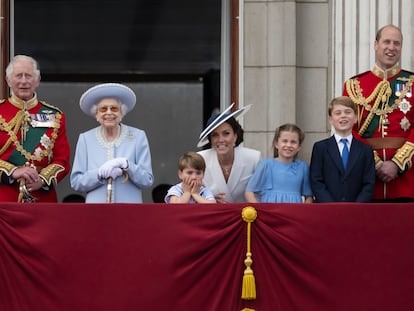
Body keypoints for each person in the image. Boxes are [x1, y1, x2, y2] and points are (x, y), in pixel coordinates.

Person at [343, 24, 414, 202]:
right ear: (376, 44)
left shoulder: (412, 83)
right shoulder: (354, 85)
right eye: (386, 42)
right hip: (367, 181)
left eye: (396, 43)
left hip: (406, 182)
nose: (391, 48)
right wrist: (376, 164)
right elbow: (347, 129)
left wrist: (397, 164)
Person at [0, 55, 70, 202]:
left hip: (42, 198)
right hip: (4, 198)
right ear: (8, 80)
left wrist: (43, 180)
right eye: (18, 76)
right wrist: (13, 172)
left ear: (37, 80)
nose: (24, 81)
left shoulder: (55, 116)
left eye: (29, 76)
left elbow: (62, 160)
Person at [70, 83, 154, 203]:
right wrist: (98, 174)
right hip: (96, 211)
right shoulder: (85, 139)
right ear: (97, 114)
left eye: (114, 108)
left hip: (129, 211)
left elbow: (147, 180)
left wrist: (127, 165)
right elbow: (76, 182)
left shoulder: (138, 136)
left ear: (121, 112)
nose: (109, 113)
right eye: (103, 109)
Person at [310, 96, 376, 202]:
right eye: (338, 113)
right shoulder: (320, 148)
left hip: (357, 210)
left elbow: (369, 182)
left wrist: (356, 206)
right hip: (327, 210)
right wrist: (331, 206)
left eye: (347, 112)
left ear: (355, 118)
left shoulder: (365, 149)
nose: (343, 116)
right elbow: (316, 180)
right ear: (331, 119)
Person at [197, 103, 261, 203]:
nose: (221, 140)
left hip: (245, 216)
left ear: (235, 136)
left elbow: (261, 195)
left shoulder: (253, 158)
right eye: (215, 135)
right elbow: (192, 194)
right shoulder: (201, 159)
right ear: (210, 139)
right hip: (212, 215)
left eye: (226, 134)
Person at [245, 123, 313, 203]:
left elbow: (309, 196)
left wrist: (302, 212)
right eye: (284, 141)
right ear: (276, 144)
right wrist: (259, 211)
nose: (288, 145)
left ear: (299, 147)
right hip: (269, 212)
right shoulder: (266, 165)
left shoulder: (303, 167)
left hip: (294, 213)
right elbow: (249, 192)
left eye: (293, 142)